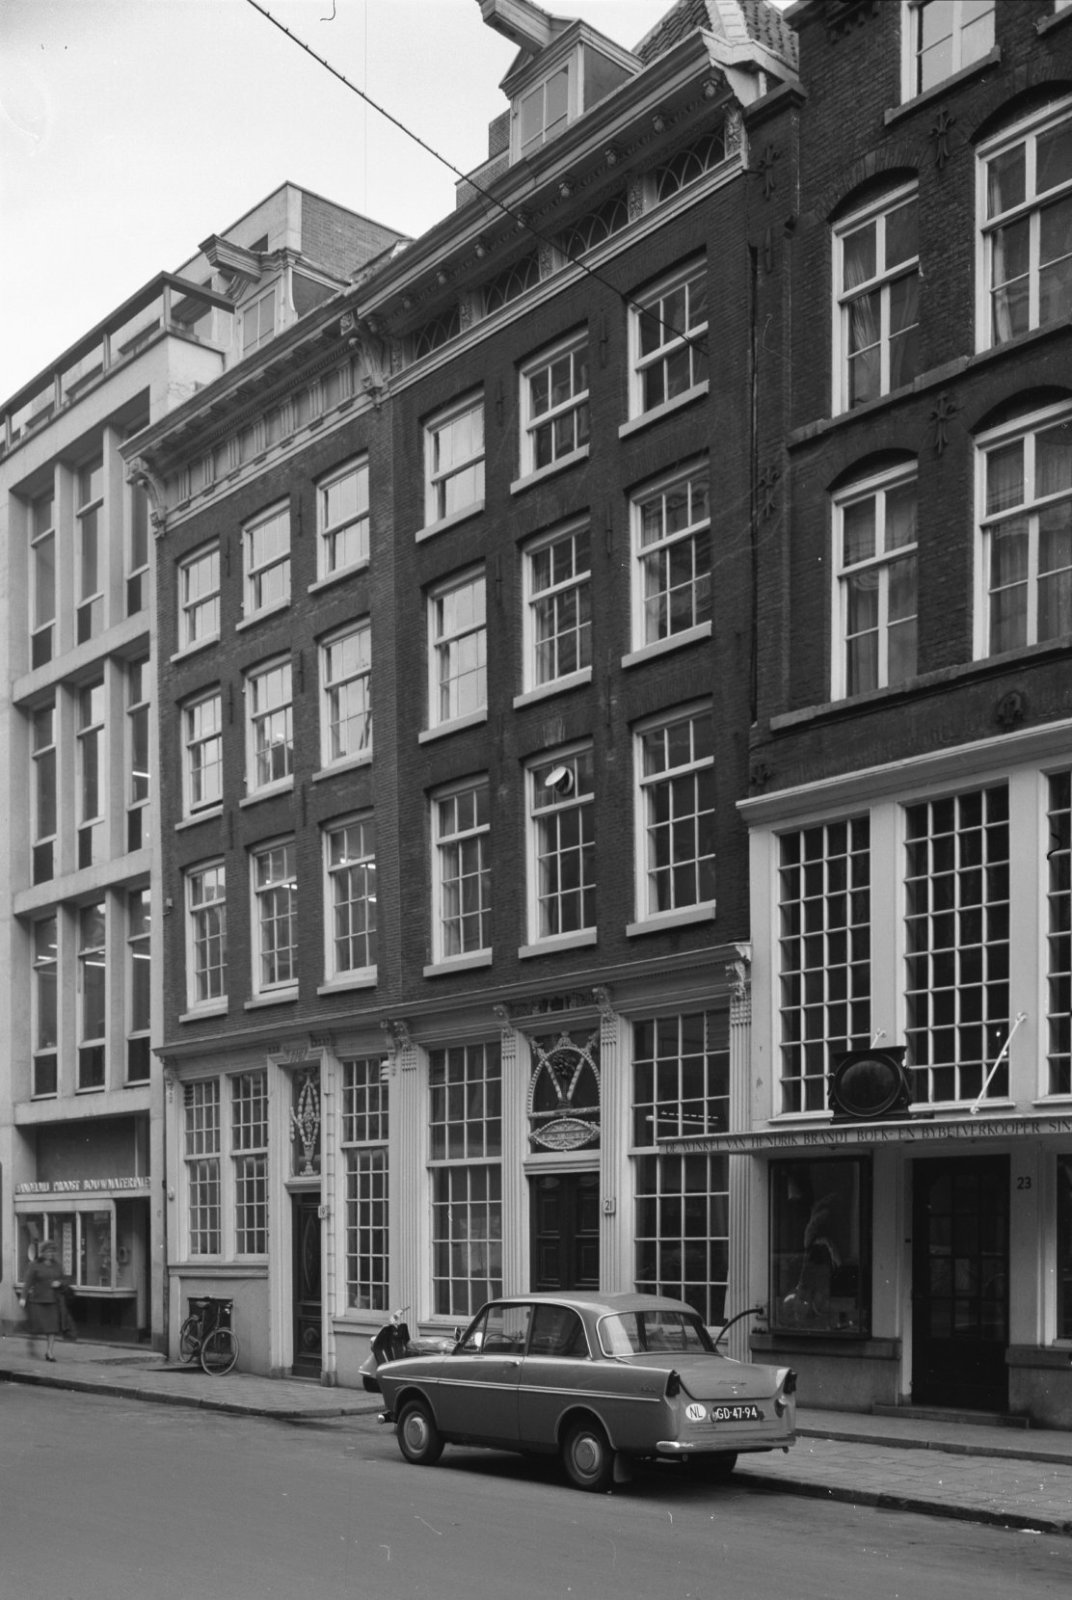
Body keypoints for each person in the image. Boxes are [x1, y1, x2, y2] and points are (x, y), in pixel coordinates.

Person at [22, 1240, 69, 1361]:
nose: (50, 1254)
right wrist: (23, 1297)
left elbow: (65, 1280)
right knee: (37, 1327)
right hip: (37, 1300)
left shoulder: (57, 1266)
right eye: (47, 1251)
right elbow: (28, 1282)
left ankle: (49, 1352)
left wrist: (59, 1283)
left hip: (52, 1301)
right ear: (42, 1253)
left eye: (52, 1252)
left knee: (52, 1328)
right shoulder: (35, 1265)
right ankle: (32, 1341)